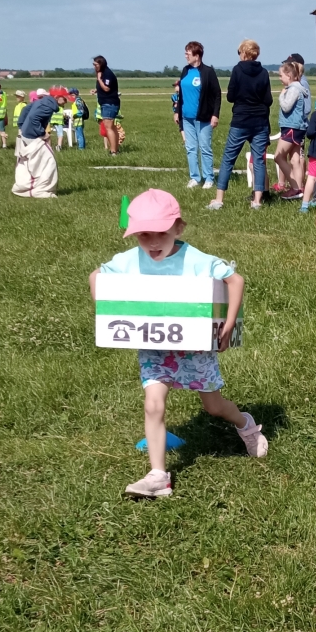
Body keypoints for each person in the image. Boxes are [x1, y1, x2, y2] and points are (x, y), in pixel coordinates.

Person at [90, 188, 268, 499]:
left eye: (161, 233)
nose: (152, 242)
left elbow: (234, 280)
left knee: (214, 407)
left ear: (179, 228)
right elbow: (97, 276)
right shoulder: (129, 260)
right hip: (155, 347)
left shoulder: (196, 260)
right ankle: (158, 475)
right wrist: (107, 310)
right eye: (143, 235)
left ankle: (246, 424)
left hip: (195, 348)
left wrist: (228, 324)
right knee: (153, 403)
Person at [209, 40, 272, 211]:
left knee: (228, 159)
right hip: (260, 122)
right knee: (259, 161)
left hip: (241, 121)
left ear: (244, 53)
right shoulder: (264, 72)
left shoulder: (237, 70)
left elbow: (230, 96)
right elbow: (268, 100)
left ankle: (219, 199)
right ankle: (257, 201)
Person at [175, 41, 221, 191]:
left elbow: (217, 94)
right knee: (190, 148)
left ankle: (209, 178)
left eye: (188, 53)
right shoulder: (185, 70)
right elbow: (181, 94)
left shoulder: (208, 72)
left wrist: (215, 115)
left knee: (205, 148)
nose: (185, 56)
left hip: (203, 117)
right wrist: (177, 112)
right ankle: (195, 177)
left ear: (197, 55)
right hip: (186, 117)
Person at [12, 88, 59, 198]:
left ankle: (23, 187)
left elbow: (26, 110)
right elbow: (33, 119)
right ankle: (41, 189)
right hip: (33, 136)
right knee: (48, 161)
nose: (66, 102)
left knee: (27, 163)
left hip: (26, 134)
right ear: (57, 97)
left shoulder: (40, 102)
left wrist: (21, 126)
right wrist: (42, 133)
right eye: (64, 99)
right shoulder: (48, 107)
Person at [274, 60, 306, 197]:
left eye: (281, 75)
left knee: (278, 157)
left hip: (291, 128)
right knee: (294, 160)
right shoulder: (297, 88)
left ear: (289, 75)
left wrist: (281, 95)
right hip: (297, 127)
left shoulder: (293, 89)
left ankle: (295, 187)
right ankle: (299, 189)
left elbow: (286, 106)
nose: (280, 78)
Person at [93, 55, 120, 156]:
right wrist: (96, 90)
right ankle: (116, 149)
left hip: (109, 103)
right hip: (107, 103)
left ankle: (113, 151)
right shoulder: (103, 73)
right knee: (112, 127)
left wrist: (99, 79)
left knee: (108, 127)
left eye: (96, 65)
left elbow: (107, 88)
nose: (94, 67)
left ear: (101, 64)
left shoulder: (107, 74)